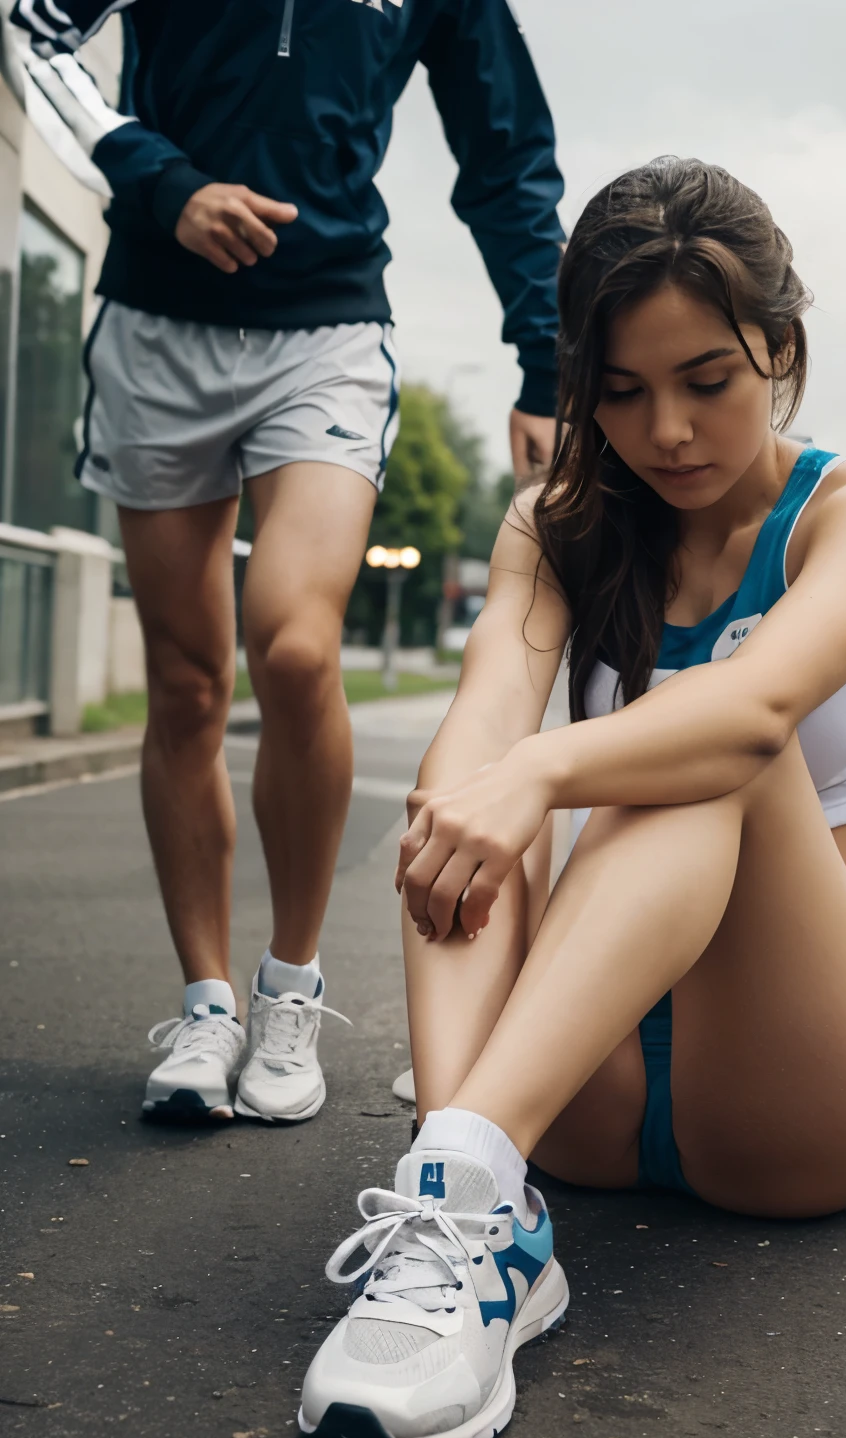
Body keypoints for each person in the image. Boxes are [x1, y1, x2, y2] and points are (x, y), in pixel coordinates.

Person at [296, 157, 846, 1438]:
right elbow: (482, 732)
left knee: (707, 742)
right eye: (624, 394)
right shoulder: (561, 521)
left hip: (809, 1086)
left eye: (708, 382)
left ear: (779, 345)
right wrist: (495, 775)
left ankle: (471, 1172)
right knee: (468, 782)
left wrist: (549, 766)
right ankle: (463, 1198)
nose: (670, 435)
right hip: (569, 1101)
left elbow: (757, 715)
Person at [8, 0, 564, 1122]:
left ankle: (290, 990)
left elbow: (504, 153)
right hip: (158, 321)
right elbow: (33, 28)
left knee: (297, 645)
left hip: (327, 327)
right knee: (188, 678)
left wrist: (545, 358)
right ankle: (207, 1005)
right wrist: (161, 180)